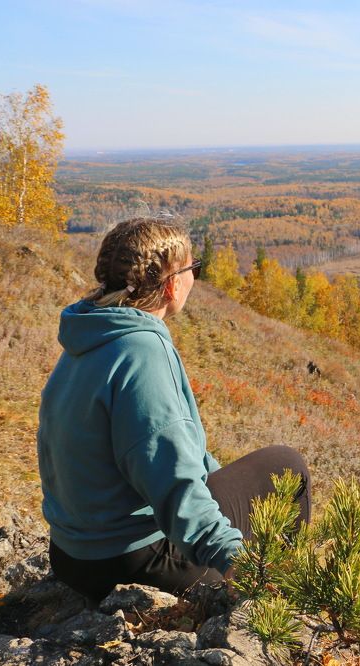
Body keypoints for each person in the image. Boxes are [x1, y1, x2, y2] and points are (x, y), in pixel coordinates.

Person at [37, 217, 311, 605]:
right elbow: (172, 480)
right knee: (286, 465)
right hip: (132, 560)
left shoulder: (90, 335)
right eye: (192, 268)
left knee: (237, 474)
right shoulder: (141, 353)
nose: (195, 277)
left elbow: (168, 456)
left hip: (71, 555)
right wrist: (234, 559)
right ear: (170, 285)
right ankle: (274, 596)